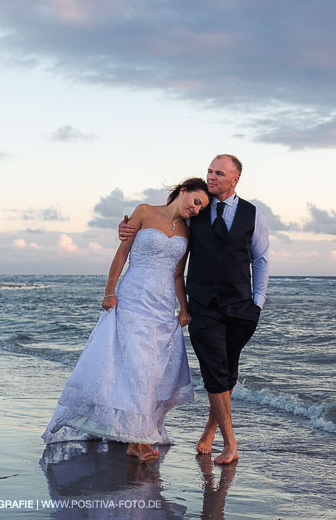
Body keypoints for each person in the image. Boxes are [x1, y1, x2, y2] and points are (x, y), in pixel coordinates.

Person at [42, 178, 210, 462]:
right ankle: (137, 441)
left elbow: (176, 275)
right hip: (133, 297)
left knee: (150, 369)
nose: (196, 210)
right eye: (196, 202)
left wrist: (184, 308)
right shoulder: (144, 211)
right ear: (183, 192)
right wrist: (109, 291)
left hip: (162, 304)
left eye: (201, 208)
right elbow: (122, 253)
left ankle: (137, 435)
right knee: (131, 364)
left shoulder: (188, 232)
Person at [119, 154, 269, 465]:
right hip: (203, 307)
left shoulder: (253, 215)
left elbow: (260, 260)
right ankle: (231, 444)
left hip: (241, 308)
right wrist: (126, 229)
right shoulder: (194, 212)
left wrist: (258, 303)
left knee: (226, 374)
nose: (212, 177)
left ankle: (209, 432)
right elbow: (161, 225)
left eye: (219, 173)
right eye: (210, 171)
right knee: (215, 372)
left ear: (234, 179)